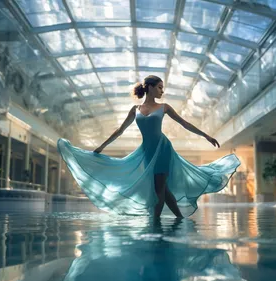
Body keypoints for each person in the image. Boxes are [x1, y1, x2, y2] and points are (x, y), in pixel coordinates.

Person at [57, 75, 240, 218]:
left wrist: (206, 136)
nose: (162, 91)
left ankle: (155, 222)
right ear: (150, 88)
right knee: (162, 188)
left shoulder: (164, 107)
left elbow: (185, 124)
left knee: (159, 187)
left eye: (163, 88)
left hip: (162, 149)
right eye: (160, 87)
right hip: (146, 152)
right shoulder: (135, 110)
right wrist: (101, 147)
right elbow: (120, 130)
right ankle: (178, 217)